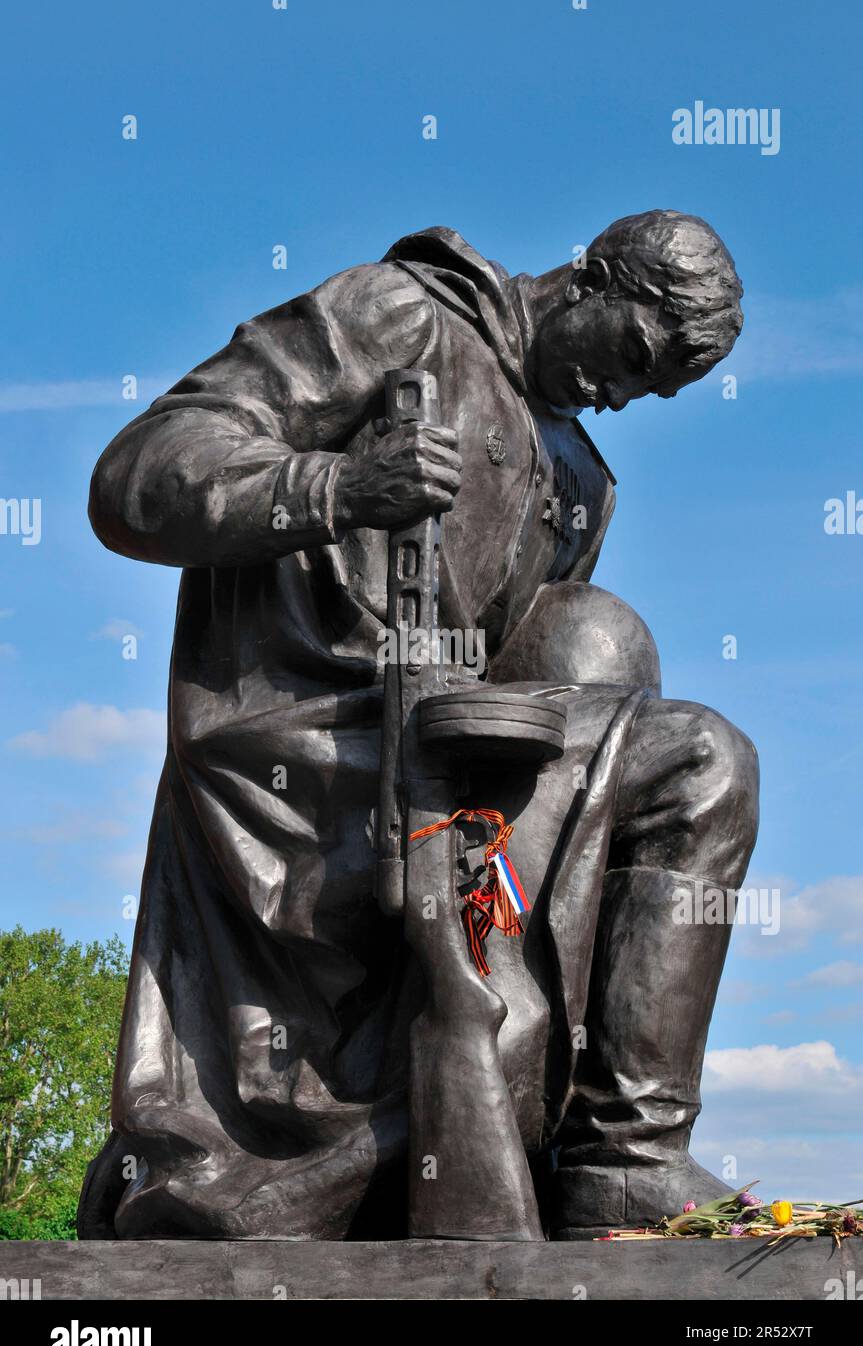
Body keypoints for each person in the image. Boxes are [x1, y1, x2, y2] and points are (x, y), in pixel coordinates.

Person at [79, 212, 758, 1240]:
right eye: (631, 355)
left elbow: (529, 668)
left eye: (649, 392)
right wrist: (339, 485)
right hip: (296, 756)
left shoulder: (579, 480)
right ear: (589, 278)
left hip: (444, 762)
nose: (621, 395)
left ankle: (619, 1155)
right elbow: (135, 478)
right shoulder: (399, 312)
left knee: (667, 731)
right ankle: (616, 1151)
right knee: (700, 756)